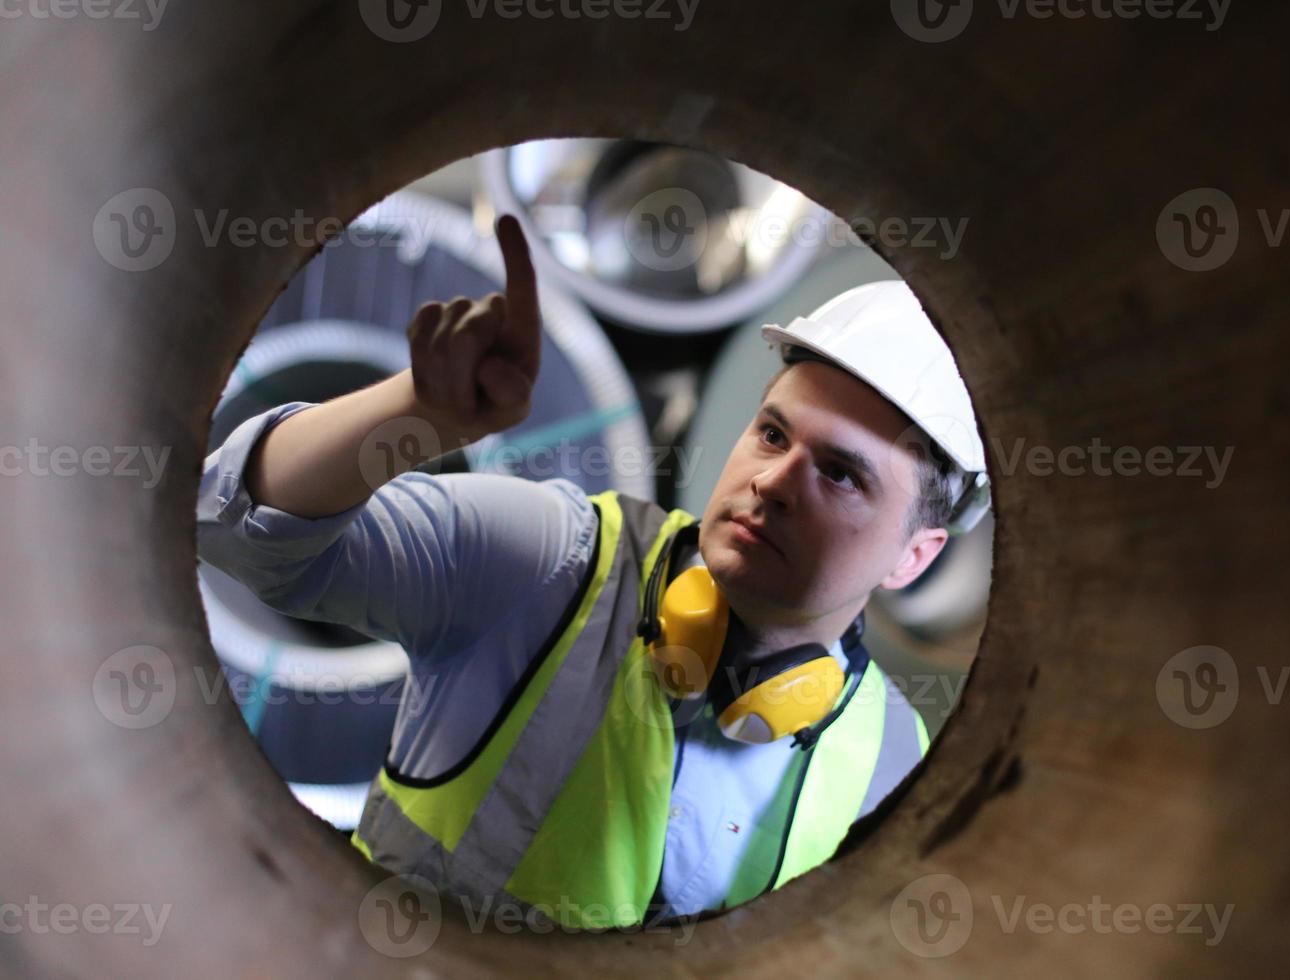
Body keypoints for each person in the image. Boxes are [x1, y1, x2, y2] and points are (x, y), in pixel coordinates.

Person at [195, 214, 990, 930]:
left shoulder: (894, 759)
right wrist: (413, 416)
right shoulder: (546, 561)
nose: (774, 482)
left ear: (914, 556)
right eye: (774, 434)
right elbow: (235, 531)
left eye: (842, 475)